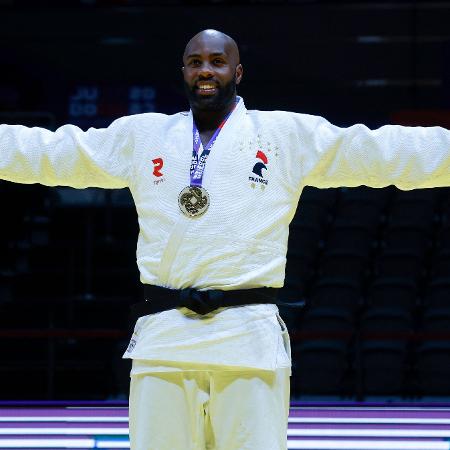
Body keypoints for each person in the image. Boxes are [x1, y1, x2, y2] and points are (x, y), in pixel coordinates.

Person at [1, 28, 450, 450]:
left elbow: (376, 151)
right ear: (183, 71)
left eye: (217, 61)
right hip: (165, 342)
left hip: (248, 342)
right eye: (195, 61)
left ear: (237, 72)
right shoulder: (143, 137)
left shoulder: (283, 135)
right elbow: (54, 151)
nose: (205, 70)